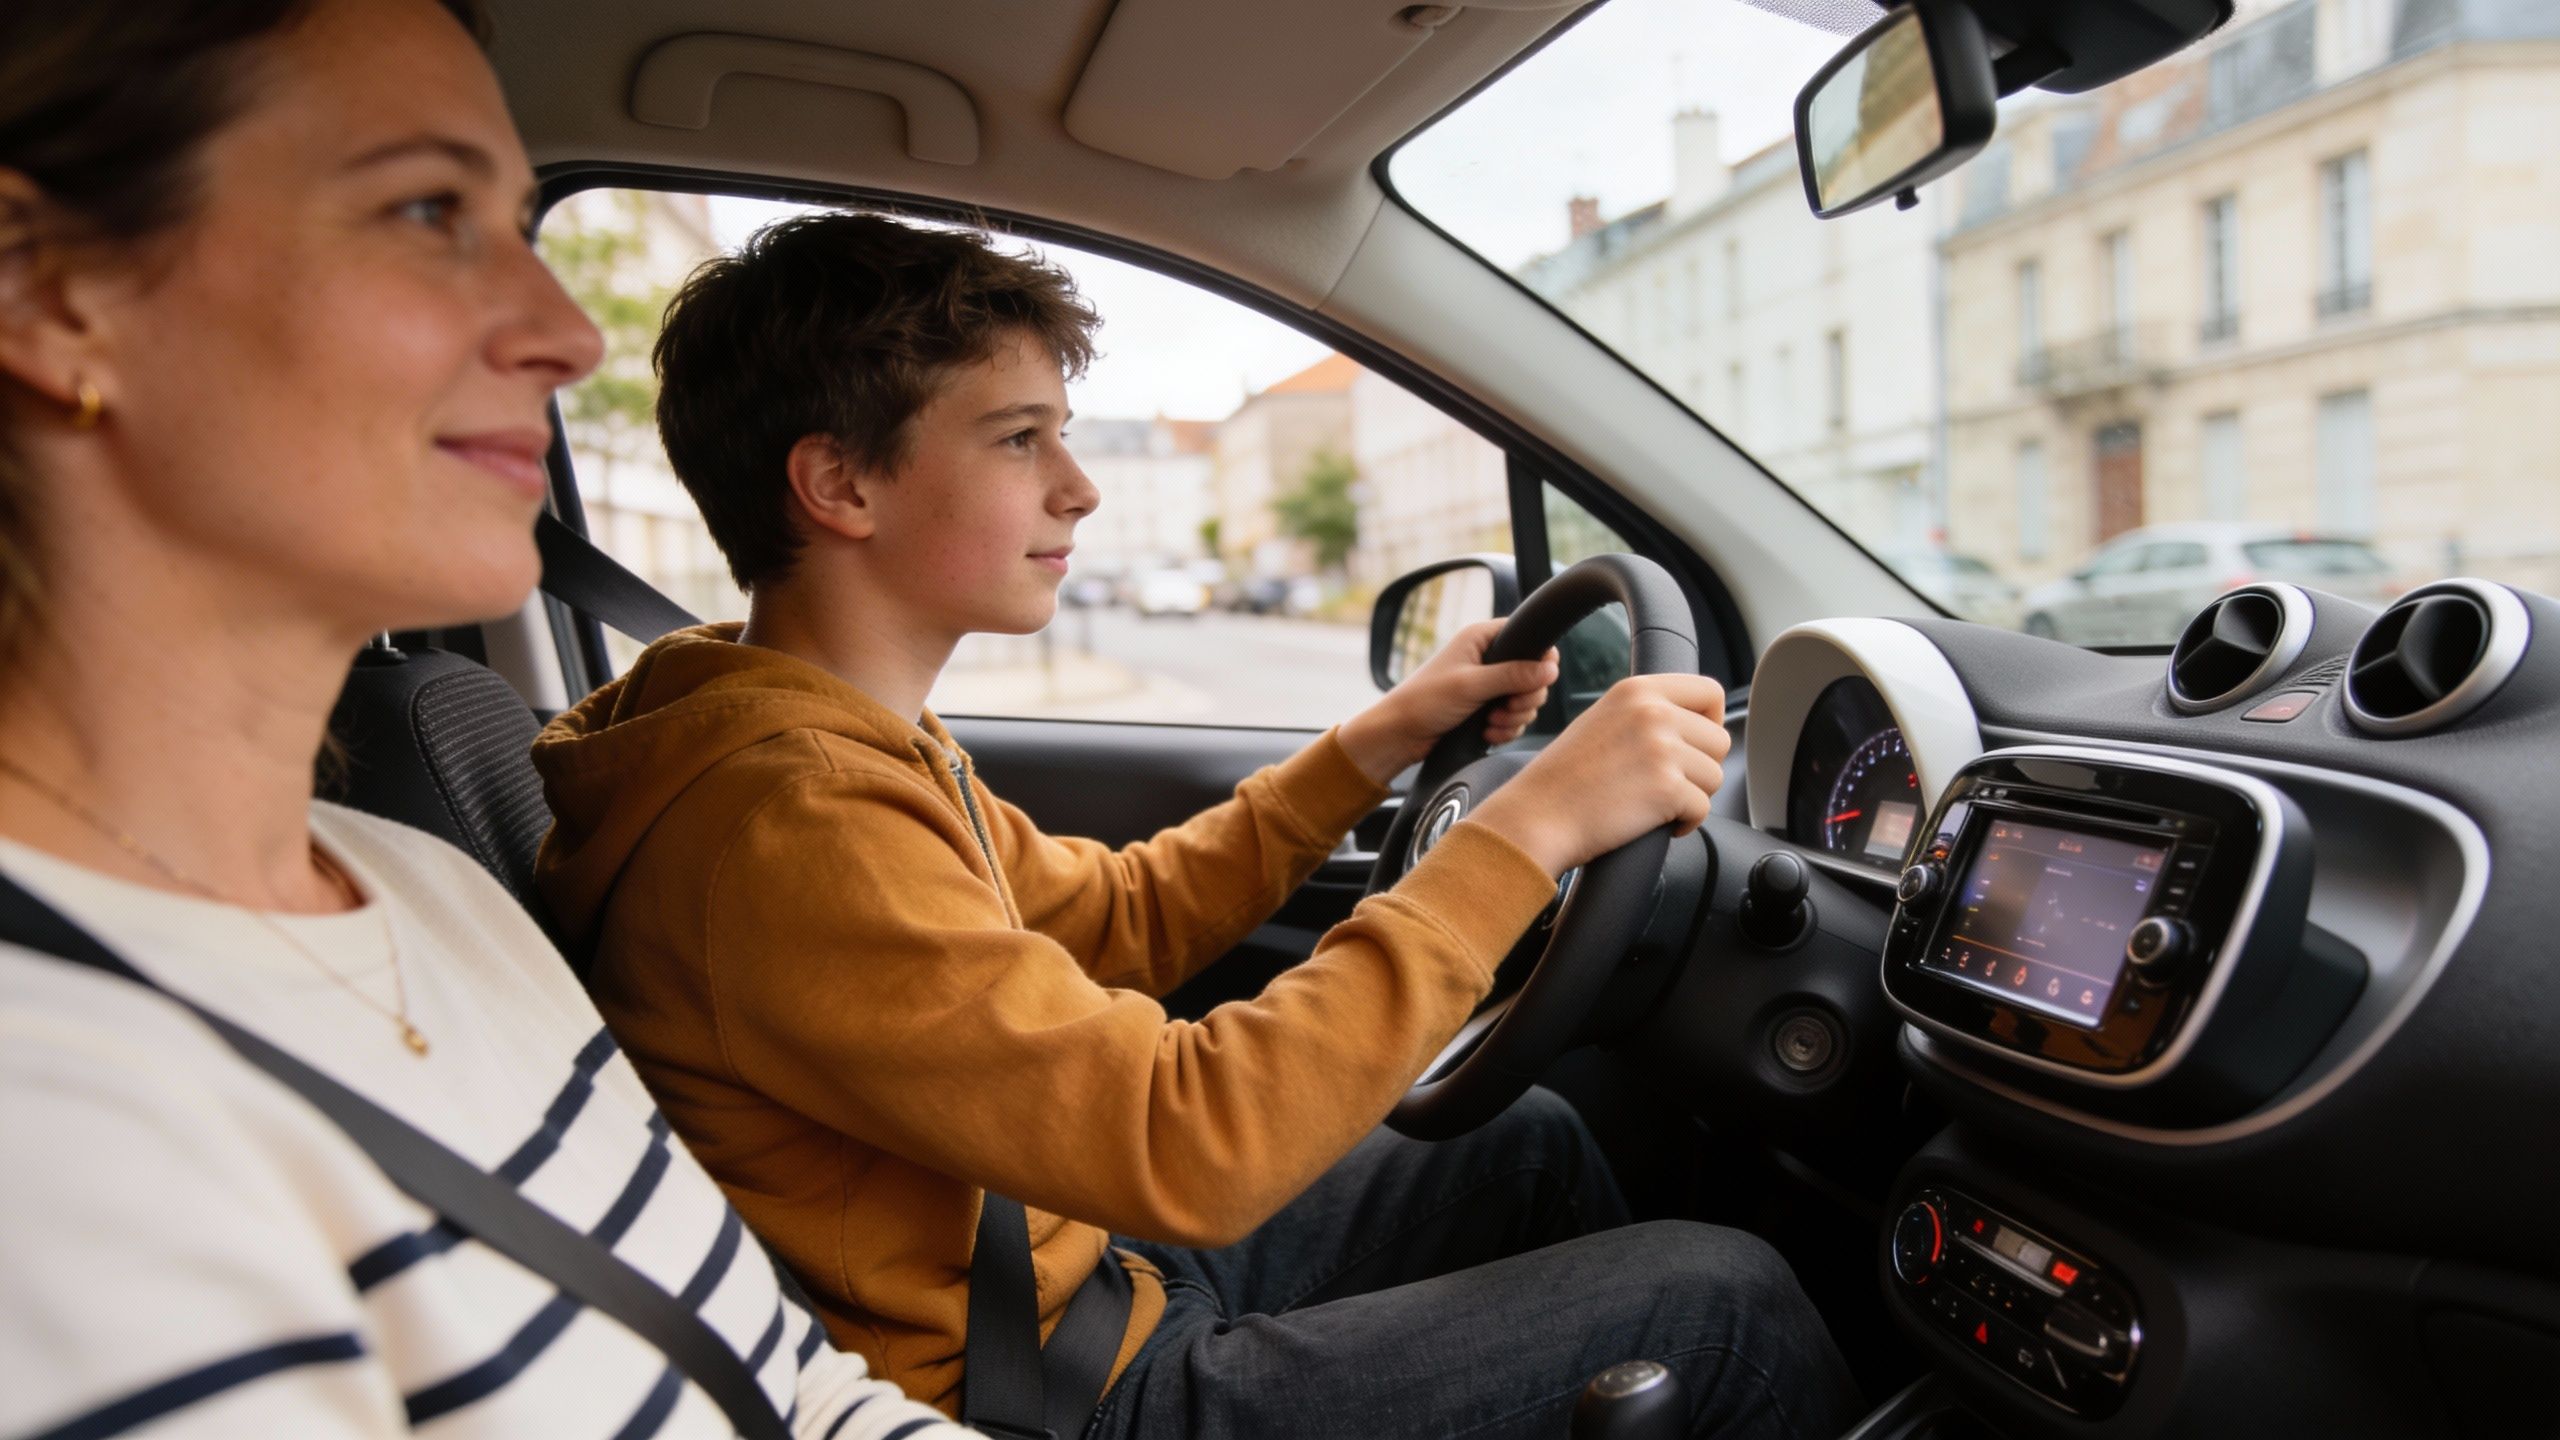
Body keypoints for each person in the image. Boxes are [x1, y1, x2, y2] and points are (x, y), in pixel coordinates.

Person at [531, 212, 1861, 1438]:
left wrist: (1377, 740)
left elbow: (1116, 920)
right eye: (1018, 438)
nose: (1079, 486)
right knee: (1721, 1303)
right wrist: (1530, 834)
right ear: (839, 484)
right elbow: (1190, 1140)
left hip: (1066, 1273)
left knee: (1525, 1146)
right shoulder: (791, 818)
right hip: (1048, 1388)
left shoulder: (828, 738)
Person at [0, 3, 976, 1436]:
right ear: (46, 291)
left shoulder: (429, 886)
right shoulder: (50, 1129)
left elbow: (796, 1391)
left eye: (519, 222)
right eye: (425, 209)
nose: (568, 334)